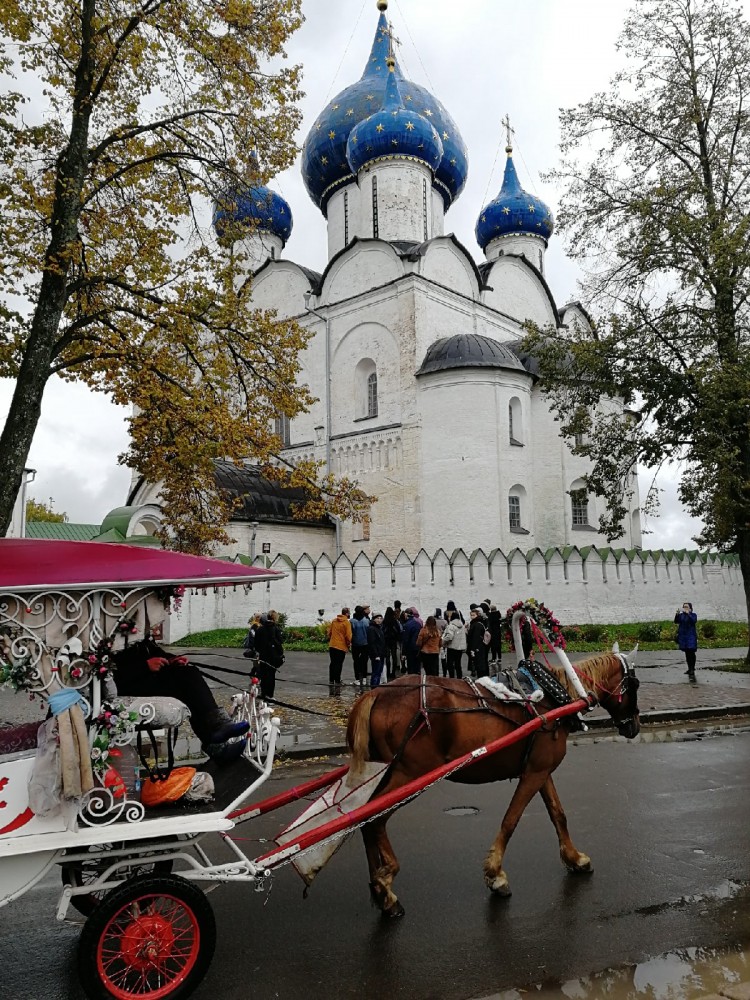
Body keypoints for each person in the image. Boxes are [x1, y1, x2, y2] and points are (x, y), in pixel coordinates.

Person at [113, 635, 249, 760]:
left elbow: (151, 651)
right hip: (126, 687)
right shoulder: (112, 634)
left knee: (189, 676)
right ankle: (217, 738)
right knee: (186, 681)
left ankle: (217, 738)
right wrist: (145, 666)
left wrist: (170, 659)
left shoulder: (136, 632)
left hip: (145, 678)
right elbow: (114, 673)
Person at [252, 611, 284, 699]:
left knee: (263, 675)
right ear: (274, 618)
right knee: (271, 676)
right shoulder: (276, 629)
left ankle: (263, 694)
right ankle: (270, 695)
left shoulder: (260, 629)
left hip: (263, 655)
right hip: (273, 656)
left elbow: (256, 644)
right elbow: (280, 641)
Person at [326, 607, 351, 695]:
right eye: (349, 613)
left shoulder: (334, 621)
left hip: (332, 645)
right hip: (341, 646)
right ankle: (337, 681)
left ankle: (331, 680)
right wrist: (348, 644)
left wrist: (331, 639)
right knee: (339, 664)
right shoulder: (346, 623)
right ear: (347, 613)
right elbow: (348, 636)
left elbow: (329, 633)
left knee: (332, 663)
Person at [674, 602, 698, 681]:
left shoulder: (693, 615)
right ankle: (689, 668)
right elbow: (676, 621)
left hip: (690, 636)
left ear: (690, 608)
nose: (685, 608)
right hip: (683, 637)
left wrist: (688, 614)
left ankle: (692, 668)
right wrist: (677, 614)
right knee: (687, 653)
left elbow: (693, 621)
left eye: (686, 607)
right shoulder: (682, 616)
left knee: (691, 652)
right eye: (684, 607)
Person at [442, 608, 467, 679]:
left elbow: (449, 637)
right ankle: (459, 677)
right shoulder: (461, 626)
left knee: (450, 664)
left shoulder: (451, 626)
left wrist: (443, 641)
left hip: (452, 647)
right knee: (458, 664)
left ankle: (452, 677)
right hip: (459, 648)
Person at [350, 605, 371, 689]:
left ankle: (357, 679)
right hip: (365, 644)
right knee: (364, 661)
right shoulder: (366, 621)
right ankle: (365, 678)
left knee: (356, 661)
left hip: (355, 644)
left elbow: (350, 632)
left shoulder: (352, 621)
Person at [467, 607, 489, 678]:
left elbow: (475, 638)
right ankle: (482, 676)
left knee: (479, 663)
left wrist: (473, 649)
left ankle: (481, 677)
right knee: (480, 662)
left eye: (473, 615)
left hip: (477, 647)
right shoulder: (479, 623)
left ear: (477, 615)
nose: (472, 617)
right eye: (471, 615)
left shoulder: (476, 625)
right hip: (480, 646)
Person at [382, 607, 402, 681]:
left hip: (386, 641)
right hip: (393, 641)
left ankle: (387, 673)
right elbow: (399, 630)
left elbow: (382, 631)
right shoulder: (395, 621)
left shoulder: (384, 621)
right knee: (394, 656)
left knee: (387, 657)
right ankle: (393, 672)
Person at [401, 608, 423, 675]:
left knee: (411, 668)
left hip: (410, 649)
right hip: (418, 648)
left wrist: (403, 653)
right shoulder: (418, 624)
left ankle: (412, 682)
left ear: (406, 614)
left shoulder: (406, 625)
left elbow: (405, 639)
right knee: (417, 667)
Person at [367, 613, 386, 687]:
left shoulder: (379, 628)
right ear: (374, 619)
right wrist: (376, 655)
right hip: (376, 655)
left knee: (379, 672)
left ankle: (376, 687)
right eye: (377, 618)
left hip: (381, 653)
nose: (379, 620)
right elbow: (372, 643)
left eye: (380, 618)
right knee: (376, 672)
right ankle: (374, 688)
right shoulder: (372, 629)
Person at [434, 608, 448, 675]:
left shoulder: (433, 621)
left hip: (435, 642)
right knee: (443, 658)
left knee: (436, 658)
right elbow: (447, 631)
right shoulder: (444, 621)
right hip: (442, 641)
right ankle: (444, 673)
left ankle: (436, 672)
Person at [488, 604, 503, 668]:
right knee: (498, 645)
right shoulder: (498, 614)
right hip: (498, 631)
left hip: (493, 632)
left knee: (493, 645)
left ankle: (494, 658)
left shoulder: (491, 615)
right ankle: (499, 657)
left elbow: (489, 624)